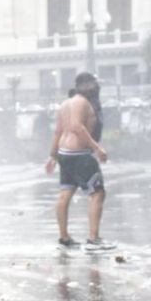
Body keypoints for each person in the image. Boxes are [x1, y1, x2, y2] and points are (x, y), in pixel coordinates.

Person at [46, 72, 114, 252]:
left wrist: (53, 155)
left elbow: (58, 131)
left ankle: (64, 237)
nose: (97, 88)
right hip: (80, 153)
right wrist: (97, 148)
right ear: (85, 85)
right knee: (97, 193)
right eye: (94, 84)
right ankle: (94, 238)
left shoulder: (65, 104)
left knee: (66, 192)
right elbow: (77, 126)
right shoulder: (82, 102)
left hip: (65, 153)